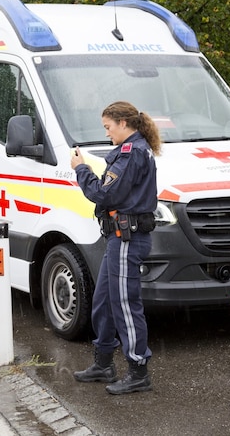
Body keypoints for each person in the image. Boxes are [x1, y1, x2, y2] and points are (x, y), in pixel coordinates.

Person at [70, 101, 161, 395]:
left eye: (108, 127)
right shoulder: (134, 149)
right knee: (104, 299)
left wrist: (81, 169)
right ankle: (103, 361)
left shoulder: (131, 153)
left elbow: (103, 193)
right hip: (120, 237)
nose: (107, 133)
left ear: (123, 123)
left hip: (127, 238)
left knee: (124, 304)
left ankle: (137, 371)